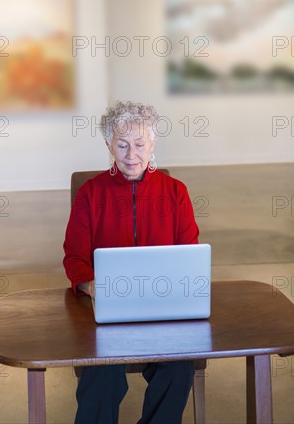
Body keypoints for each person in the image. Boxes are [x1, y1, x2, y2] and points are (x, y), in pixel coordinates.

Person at [63, 101, 200, 424]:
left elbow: (189, 252)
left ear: (152, 145)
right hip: (107, 312)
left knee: (178, 368)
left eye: (139, 145)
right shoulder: (90, 194)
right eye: (122, 145)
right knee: (102, 375)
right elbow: (75, 257)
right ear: (109, 145)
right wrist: (92, 286)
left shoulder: (176, 192)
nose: (131, 154)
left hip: (162, 308)